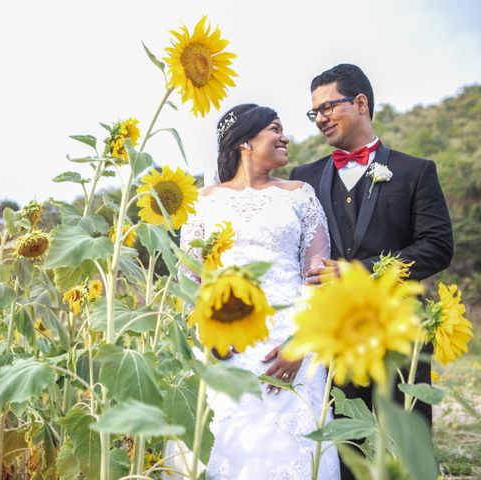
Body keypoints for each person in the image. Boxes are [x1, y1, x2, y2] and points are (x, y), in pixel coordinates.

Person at [290, 64, 453, 479]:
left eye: (328, 106)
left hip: (399, 333)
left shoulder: (415, 171)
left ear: (360, 103)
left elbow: (437, 247)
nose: (321, 118)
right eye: (315, 112)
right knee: (343, 450)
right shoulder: (301, 180)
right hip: (333, 337)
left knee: (403, 444)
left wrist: (359, 272)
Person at [168, 104, 340, 479]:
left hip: (290, 344)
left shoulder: (299, 195)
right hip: (227, 347)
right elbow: (190, 277)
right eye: (275, 129)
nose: (285, 137)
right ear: (246, 140)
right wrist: (209, 335)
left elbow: (319, 277)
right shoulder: (204, 201)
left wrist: (302, 342)